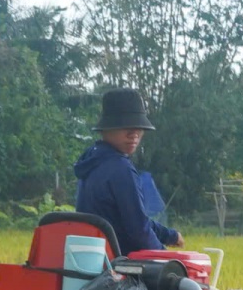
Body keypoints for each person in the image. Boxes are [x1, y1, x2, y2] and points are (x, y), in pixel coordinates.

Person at [74, 88, 184, 255]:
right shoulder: (120, 168)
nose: (134, 134)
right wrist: (166, 257)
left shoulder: (91, 162)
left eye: (139, 127)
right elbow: (139, 231)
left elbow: (133, 219)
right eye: (125, 126)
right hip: (119, 262)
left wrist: (169, 235)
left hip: (92, 257)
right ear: (106, 129)